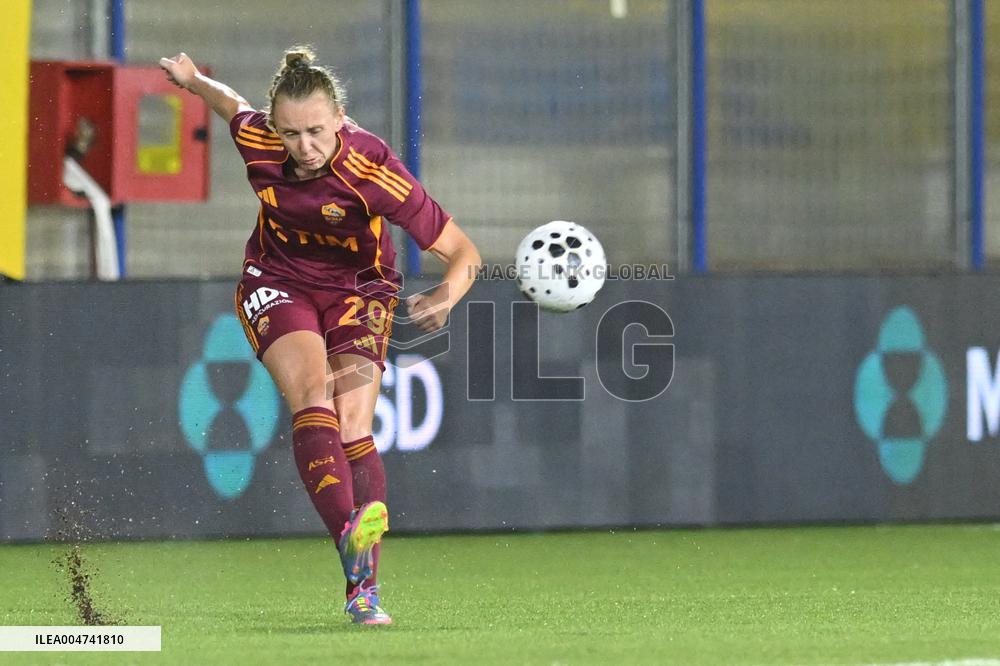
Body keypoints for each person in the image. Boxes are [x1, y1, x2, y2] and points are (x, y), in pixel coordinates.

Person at [159, 46, 481, 625]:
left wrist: (444, 296)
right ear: (274, 127)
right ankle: (354, 556)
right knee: (313, 393)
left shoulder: (373, 168)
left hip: (361, 291)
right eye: (290, 133)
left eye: (315, 132)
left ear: (340, 121)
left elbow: (464, 253)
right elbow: (229, 103)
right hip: (278, 280)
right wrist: (190, 80)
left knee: (355, 424)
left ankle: (362, 589)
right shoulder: (258, 138)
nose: (303, 147)